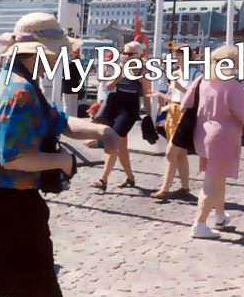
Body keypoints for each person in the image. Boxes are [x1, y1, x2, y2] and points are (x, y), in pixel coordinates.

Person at [0, 12, 117, 297]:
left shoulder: (11, 81)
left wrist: (101, 131)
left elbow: (60, 121)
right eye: (57, 53)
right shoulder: (22, 91)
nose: (59, 59)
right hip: (13, 211)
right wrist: (63, 160)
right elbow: (15, 157)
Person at [184, 45, 244, 239]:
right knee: (212, 182)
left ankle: (220, 215)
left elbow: (185, 104)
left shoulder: (201, 80)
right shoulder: (232, 86)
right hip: (223, 138)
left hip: (202, 134)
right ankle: (200, 223)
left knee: (217, 176)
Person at [91, 41, 153, 191]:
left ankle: (103, 179)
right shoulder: (120, 67)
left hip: (130, 108)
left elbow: (146, 95)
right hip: (115, 104)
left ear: (139, 55)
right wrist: (118, 77)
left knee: (115, 139)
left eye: (130, 53)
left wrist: (150, 116)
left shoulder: (143, 72)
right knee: (122, 146)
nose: (126, 56)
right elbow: (108, 86)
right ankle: (130, 177)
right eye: (124, 53)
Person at [150, 44, 200, 199]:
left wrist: (181, 88)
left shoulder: (196, 75)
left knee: (171, 152)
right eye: (175, 56)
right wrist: (160, 95)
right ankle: (185, 187)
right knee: (180, 153)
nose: (176, 58)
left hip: (186, 113)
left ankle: (165, 188)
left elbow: (197, 97)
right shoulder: (175, 73)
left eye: (179, 55)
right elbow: (172, 96)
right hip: (173, 111)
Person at [62, 50, 83, 117]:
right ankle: (74, 120)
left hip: (67, 88)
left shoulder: (70, 65)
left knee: (67, 106)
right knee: (74, 106)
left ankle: (68, 121)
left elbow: (64, 74)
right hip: (75, 87)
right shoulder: (80, 64)